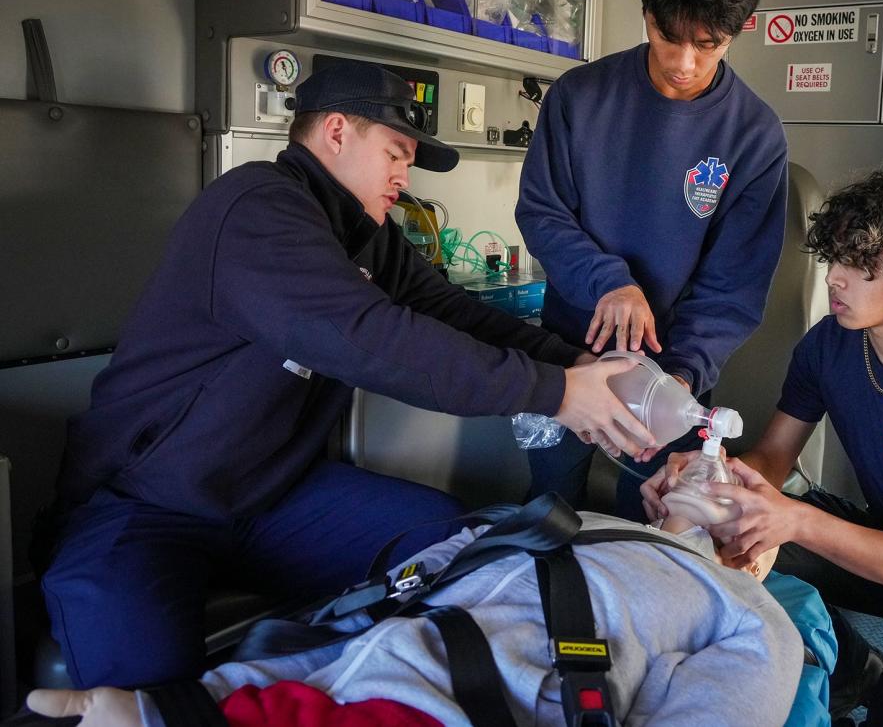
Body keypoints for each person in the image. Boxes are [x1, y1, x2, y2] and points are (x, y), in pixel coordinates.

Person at [39, 61, 659, 690]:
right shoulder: (258, 207)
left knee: (448, 545)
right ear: (336, 131)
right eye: (396, 152)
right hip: (147, 500)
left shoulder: (366, 235)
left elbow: (451, 312)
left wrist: (574, 364)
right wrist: (554, 395)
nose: (403, 173)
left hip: (269, 494)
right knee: (141, 682)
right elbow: (366, 337)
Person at [642, 172, 883, 726]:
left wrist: (794, 522)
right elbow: (773, 460)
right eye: (834, 259)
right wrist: (714, 479)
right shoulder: (829, 344)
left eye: (860, 264)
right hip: (879, 537)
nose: (836, 278)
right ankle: (851, 669)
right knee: (724, 522)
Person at [515, 0, 789, 517]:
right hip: (569, 357)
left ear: (737, 30)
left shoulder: (755, 136)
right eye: (668, 35)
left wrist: (677, 383)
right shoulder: (578, 98)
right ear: (646, 12)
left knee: (652, 524)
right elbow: (542, 212)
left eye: (707, 44)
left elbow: (733, 288)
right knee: (547, 514)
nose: (683, 62)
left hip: (670, 384)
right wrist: (609, 281)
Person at [27, 511, 806, 727]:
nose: (696, 489)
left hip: (495, 695)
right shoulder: (559, 518)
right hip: (379, 662)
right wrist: (170, 706)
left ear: (756, 547)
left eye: (727, 497)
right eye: (683, 477)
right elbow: (390, 603)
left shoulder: (754, 609)